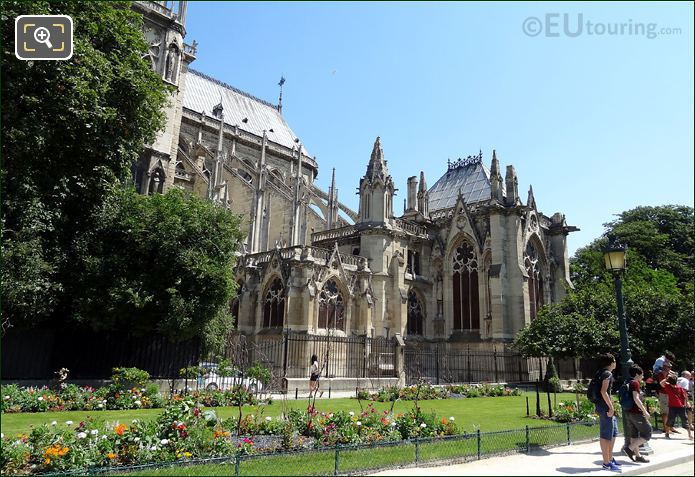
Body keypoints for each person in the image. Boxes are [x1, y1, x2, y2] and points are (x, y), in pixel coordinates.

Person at [594, 353, 621, 471]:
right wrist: (611, 407)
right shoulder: (607, 374)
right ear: (610, 363)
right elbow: (603, 391)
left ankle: (610, 458)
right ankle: (606, 463)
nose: (615, 362)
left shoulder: (600, 372)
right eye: (614, 360)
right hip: (605, 407)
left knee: (614, 432)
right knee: (606, 435)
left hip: (603, 405)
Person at [621, 365, 652, 463]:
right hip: (636, 413)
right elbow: (636, 398)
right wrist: (645, 411)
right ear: (637, 374)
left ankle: (638, 456)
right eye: (642, 374)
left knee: (633, 435)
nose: (643, 376)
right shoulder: (635, 383)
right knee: (648, 433)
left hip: (628, 412)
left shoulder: (628, 382)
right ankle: (629, 449)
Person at [659, 373, 692, 440]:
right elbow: (685, 397)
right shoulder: (670, 387)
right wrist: (667, 378)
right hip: (675, 407)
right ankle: (667, 433)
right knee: (671, 420)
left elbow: (661, 383)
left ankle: (689, 435)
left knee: (683, 420)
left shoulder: (675, 387)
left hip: (679, 407)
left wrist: (667, 378)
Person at [655, 361, 674, 434]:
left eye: (670, 367)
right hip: (663, 394)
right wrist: (667, 377)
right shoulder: (660, 374)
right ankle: (666, 429)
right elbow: (662, 385)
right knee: (665, 412)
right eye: (669, 367)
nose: (670, 368)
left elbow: (673, 383)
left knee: (671, 411)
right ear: (664, 367)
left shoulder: (670, 374)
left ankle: (670, 428)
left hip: (670, 394)